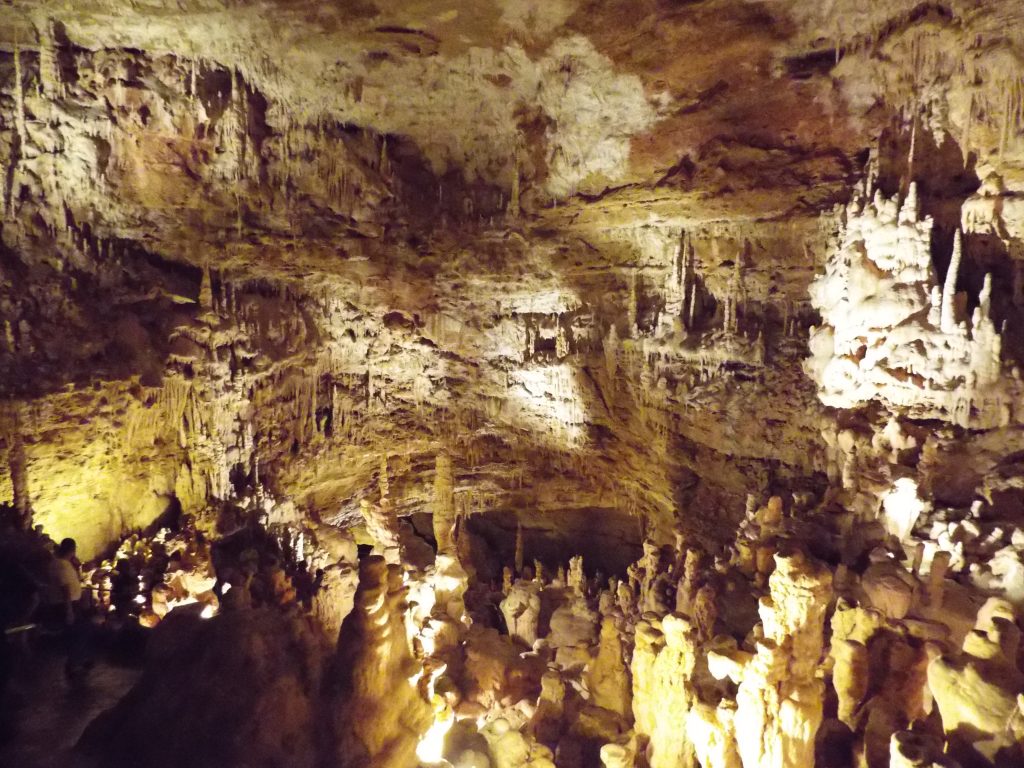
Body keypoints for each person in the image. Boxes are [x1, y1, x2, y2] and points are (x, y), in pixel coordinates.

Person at [41, 538, 92, 680]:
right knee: (75, 635)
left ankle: (80, 660)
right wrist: (69, 610)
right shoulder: (61, 565)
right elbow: (65, 588)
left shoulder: (60, 563)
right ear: (73, 550)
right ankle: (74, 666)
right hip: (67, 605)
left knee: (79, 632)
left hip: (68, 604)